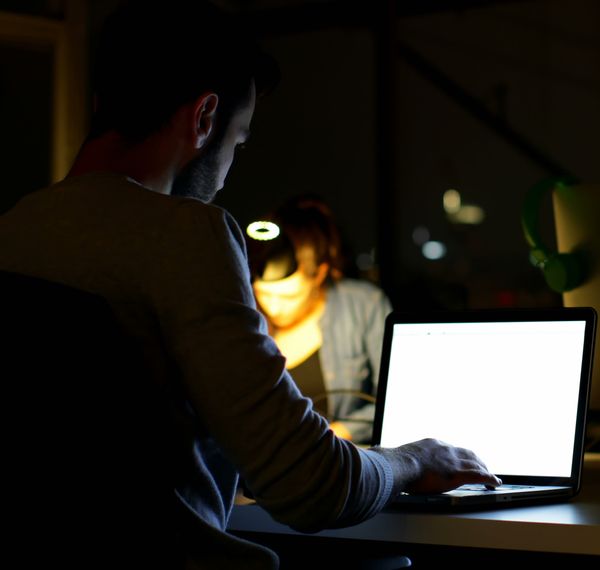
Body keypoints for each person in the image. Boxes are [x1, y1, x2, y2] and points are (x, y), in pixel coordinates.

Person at [0, 2, 499, 567]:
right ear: (205, 117)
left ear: (99, 107)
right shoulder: (186, 234)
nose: (231, 165)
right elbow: (313, 486)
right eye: (237, 144)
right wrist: (414, 459)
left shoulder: (12, 231)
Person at [247, 195, 391, 444]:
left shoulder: (362, 305)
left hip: (338, 461)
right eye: (263, 294)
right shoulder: (246, 315)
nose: (274, 306)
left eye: (290, 295)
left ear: (319, 275)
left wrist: (336, 435)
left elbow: (392, 401)